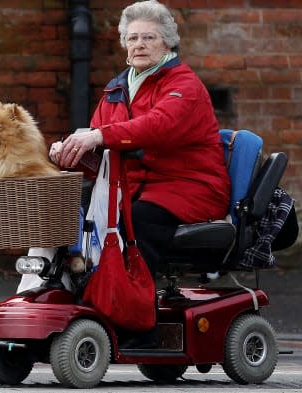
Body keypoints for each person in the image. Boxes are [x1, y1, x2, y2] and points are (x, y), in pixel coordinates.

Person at [50, 0, 231, 348]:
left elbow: (158, 126)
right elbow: (100, 151)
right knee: (75, 210)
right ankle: (79, 298)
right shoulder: (117, 89)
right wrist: (70, 152)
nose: (140, 45)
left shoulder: (184, 85)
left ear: (168, 43)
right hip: (133, 188)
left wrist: (99, 135)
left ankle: (141, 324)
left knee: (136, 222)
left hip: (189, 189)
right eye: (132, 38)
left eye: (149, 37)